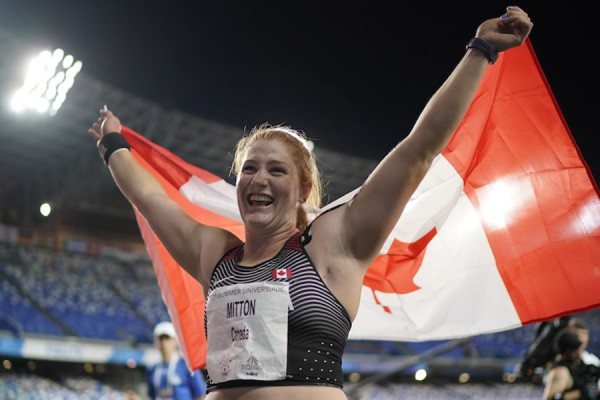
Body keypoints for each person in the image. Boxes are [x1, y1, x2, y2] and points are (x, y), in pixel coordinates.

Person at [88, 6, 532, 400]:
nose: (259, 179)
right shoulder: (215, 255)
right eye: (249, 169)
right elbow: (148, 197)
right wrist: (112, 144)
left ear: (302, 189)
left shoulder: (333, 245)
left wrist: (480, 50)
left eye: (276, 170)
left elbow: (417, 151)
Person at [147, 321, 207, 400]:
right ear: (156, 342)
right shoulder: (152, 369)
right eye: (161, 339)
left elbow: (200, 396)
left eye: (167, 339)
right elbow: (151, 396)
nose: (164, 343)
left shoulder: (187, 366)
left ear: (175, 341)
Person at [542, 328, 600, 400]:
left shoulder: (577, 364)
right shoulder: (560, 371)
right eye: (575, 349)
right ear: (567, 350)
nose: (578, 352)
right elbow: (550, 398)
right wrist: (580, 393)